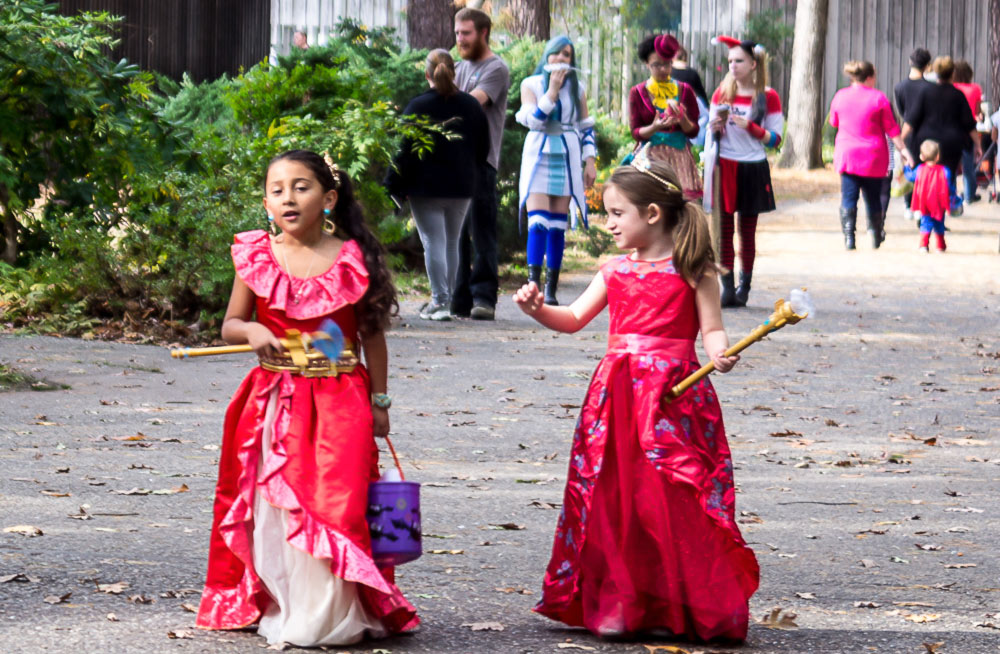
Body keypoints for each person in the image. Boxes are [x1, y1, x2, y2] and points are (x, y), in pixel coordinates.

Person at [514, 156, 758, 641]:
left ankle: (686, 603)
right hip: (618, 400)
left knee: (670, 496)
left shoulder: (696, 270)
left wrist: (719, 353)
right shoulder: (613, 271)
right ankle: (624, 600)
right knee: (617, 497)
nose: (608, 224)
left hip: (673, 399)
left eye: (615, 213)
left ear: (651, 213)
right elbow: (575, 318)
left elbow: (711, 328)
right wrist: (539, 310)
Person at [196, 150, 418, 646]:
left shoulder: (352, 257)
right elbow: (231, 323)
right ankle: (287, 601)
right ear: (266, 203)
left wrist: (380, 403)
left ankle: (332, 610)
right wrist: (250, 329)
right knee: (279, 503)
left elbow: (372, 336)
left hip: (341, 398)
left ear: (329, 198)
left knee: (337, 503)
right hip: (273, 400)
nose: (288, 197)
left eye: (301, 187)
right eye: (277, 190)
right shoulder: (256, 255)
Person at [385, 49, 488, 321]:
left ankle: (439, 302)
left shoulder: (417, 106)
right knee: (452, 242)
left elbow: (402, 149)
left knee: (433, 242)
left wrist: (392, 182)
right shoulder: (471, 105)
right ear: (454, 71)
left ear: (426, 73)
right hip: (462, 185)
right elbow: (483, 147)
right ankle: (448, 301)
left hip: (425, 186)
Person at [515, 35, 597, 306]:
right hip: (539, 155)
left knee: (558, 227)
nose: (560, 59)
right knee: (537, 223)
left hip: (566, 155)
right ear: (546, 56)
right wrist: (551, 91)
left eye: (566, 55)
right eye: (556, 54)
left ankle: (551, 289)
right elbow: (535, 121)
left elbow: (586, 127)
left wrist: (590, 160)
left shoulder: (578, 89)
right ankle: (533, 285)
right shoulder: (531, 84)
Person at [705, 35, 783, 308]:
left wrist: (750, 126)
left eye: (739, 61)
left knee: (746, 231)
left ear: (753, 64)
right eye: (730, 61)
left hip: (753, 167)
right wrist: (715, 127)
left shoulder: (768, 96)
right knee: (724, 231)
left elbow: (775, 140)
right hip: (725, 164)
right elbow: (709, 130)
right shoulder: (721, 93)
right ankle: (726, 287)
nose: (733, 66)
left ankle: (744, 287)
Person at [452, 7, 510, 320]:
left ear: (483, 33)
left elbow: (471, 104)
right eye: (458, 33)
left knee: (482, 231)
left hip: (481, 162)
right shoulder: (459, 67)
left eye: (466, 33)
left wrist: (439, 96)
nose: (460, 39)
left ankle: (484, 298)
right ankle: (458, 300)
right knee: (456, 234)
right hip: (455, 162)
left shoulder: (495, 68)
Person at [829, 61, 912, 250]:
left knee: (848, 197)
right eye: (874, 76)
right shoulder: (878, 98)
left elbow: (834, 121)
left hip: (848, 155)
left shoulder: (840, 96)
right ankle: (875, 234)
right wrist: (903, 150)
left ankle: (849, 237)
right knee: (873, 198)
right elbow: (891, 128)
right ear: (869, 78)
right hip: (873, 157)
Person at [901, 56, 981, 213]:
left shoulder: (925, 92)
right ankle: (943, 209)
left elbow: (911, 119)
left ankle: (923, 208)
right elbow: (969, 123)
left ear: (936, 73)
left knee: (924, 174)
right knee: (947, 177)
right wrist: (977, 144)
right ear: (952, 74)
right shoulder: (958, 95)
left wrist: (901, 140)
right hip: (952, 143)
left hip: (926, 141)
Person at [627, 34, 702, 199]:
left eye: (667, 64)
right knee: (651, 205)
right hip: (650, 157)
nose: (663, 69)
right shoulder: (638, 92)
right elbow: (635, 132)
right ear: (647, 64)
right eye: (656, 65)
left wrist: (682, 120)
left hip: (679, 157)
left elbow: (694, 131)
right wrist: (654, 127)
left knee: (680, 207)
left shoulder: (684, 90)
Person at [894, 48, 934, 220]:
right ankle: (922, 205)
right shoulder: (931, 88)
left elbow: (902, 111)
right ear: (927, 66)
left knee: (909, 168)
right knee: (925, 169)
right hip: (928, 132)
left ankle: (908, 205)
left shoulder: (899, 87)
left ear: (910, 62)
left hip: (908, 133)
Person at [906, 140, 951, 252]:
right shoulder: (944, 171)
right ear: (938, 156)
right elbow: (950, 185)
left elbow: (910, 177)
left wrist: (906, 168)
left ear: (922, 156)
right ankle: (940, 246)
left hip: (924, 203)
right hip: (939, 203)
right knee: (939, 224)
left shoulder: (920, 169)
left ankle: (923, 245)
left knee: (925, 223)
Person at [952, 60, 983, 204]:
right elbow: (977, 112)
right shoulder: (975, 89)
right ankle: (969, 196)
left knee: (951, 166)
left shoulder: (951, 88)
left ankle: (951, 195)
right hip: (968, 131)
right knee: (968, 165)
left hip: (951, 129)